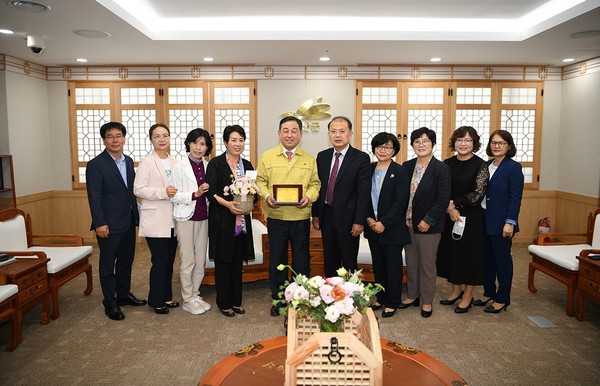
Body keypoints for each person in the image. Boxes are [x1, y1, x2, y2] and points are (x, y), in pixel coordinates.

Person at [255, 116, 321, 317]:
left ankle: (301, 299)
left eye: (294, 130)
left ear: (301, 134)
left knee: (302, 261)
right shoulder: (268, 157)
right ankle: (279, 299)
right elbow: (260, 181)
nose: (289, 134)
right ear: (279, 133)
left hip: (301, 218)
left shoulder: (309, 159)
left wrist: (309, 197)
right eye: (285, 130)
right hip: (276, 217)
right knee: (277, 260)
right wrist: (266, 196)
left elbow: (315, 184)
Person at [86, 122, 146, 321]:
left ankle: (123, 294)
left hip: (128, 221)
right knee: (107, 264)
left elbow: (131, 193)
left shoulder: (128, 161)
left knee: (126, 261)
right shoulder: (96, 164)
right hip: (108, 224)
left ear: (124, 138)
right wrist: (100, 222)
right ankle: (110, 303)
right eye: (110, 136)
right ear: (104, 140)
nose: (115, 140)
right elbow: (95, 197)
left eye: (118, 136)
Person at [436, 126, 489, 314]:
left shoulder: (481, 165)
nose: (463, 144)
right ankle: (455, 290)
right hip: (449, 215)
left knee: (469, 255)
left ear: (474, 143)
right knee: (452, 253)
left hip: (471, 217)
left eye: (467, 140)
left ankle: (468, 295)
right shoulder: (446, 163)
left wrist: (454, 205)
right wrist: (449, 208)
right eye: (459, 140)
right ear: (454, 142)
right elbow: (440, 189)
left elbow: (477, 193)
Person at [206, 125, 255, 317]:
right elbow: (211, 192)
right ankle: (224, 302)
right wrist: (228, 205)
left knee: (237, 263)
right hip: (223, 221)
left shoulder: (248, 165)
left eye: (241, 140)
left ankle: (236, 302)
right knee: (223, 262)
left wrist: (249, 203)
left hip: (242, 222)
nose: (238, 144)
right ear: (225, 142)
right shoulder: (216, 164)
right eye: (233, 140)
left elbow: (254, 191)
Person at [312, 116, 371, 277]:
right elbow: (317, 186)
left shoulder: (361, 158)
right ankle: (330, 296)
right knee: (329, 259)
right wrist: (315, 213)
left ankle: (350, 298)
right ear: (329, 135)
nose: (337, 135)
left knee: (349, 261)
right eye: (333, 131)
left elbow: (363, 193)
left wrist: (359, 221)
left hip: (349, 218)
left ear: (350, 134)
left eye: (342, 131)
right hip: (326, 215)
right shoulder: (322, 156)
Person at [401, 127, 451, 318]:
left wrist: (428, 220)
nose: (421, 145)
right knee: (411, 262)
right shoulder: (407, 166)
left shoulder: (441, 168)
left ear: (433, 144)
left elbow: (443, 199)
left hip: (429, 226)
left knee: (427, 265)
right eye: (417, 142)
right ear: (412, 145)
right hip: (408, 223)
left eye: (425, 141)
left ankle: (427, 300)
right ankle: (412, 295)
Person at [475, 130, 524, 313]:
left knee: (502, 260)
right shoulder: (486, 165)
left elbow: (515, 197)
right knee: (487, 259)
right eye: (494, 143)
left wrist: (510, 222)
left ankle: (503, 298)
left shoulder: (513, 167)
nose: (497, 146)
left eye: (501, 143)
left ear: (508, 146)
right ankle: (489, 292)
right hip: (484, 219)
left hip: (502, 222)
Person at [363, 132, 410, 318]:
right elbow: (362, 196)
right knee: (379, 265)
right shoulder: (368, 169)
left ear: (394, 150)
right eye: (380, 147)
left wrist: (384, 222)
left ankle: (392, 301)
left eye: (388, 147)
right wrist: (368, 219)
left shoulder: (399, 171)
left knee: (393, 266)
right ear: (374, 148)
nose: (383, 150)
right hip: (372, 225)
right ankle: (381, 298)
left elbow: (401, 201)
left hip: (392, 228)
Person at [134, 123, 179, 314]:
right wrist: (163, 192)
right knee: (159, 260)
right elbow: (138, 189)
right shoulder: (147, 162)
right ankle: (155, 300)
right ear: (151, 140)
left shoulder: (175, 162)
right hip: (155, 219)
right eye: (157, 136)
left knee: (169, 261)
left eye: (165, 135)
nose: (162, 139)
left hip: (173, 220)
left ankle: (166, 297)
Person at [171, 128, 213, 315]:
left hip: (204, 217)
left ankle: (195, 294)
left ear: (207, 148)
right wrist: (194, 194)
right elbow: (174, 195)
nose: (198, 147)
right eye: (195, 142)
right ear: (188, 143)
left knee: (199, 259)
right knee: (187, 260)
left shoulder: (208, 166)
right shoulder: (179, 166)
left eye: (202, 144)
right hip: (185, 217)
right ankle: (187, 298)